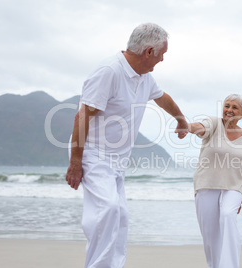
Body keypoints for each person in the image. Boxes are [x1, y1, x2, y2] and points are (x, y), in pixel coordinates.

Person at [65, 23, 188, 268]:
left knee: (120, 217)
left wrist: (181, 119)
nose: (162, 59)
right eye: (162, 54)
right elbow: (82, 117)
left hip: (118, 160)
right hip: (94, 154)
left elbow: (162, 98)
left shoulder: (144, 77)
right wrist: (76, 163)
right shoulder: (109, 72)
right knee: (107, 212)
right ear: (149, 51)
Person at [188, 94, 242, 268]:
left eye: (235, 107)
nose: (229, 110)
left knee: (228, 215)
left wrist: (240, 196)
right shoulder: (214, 123)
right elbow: (200, 127)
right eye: (226, 106)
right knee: (210, 235)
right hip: (207, 183)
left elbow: (241, 167)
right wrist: (187, 127)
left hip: (233, 187)